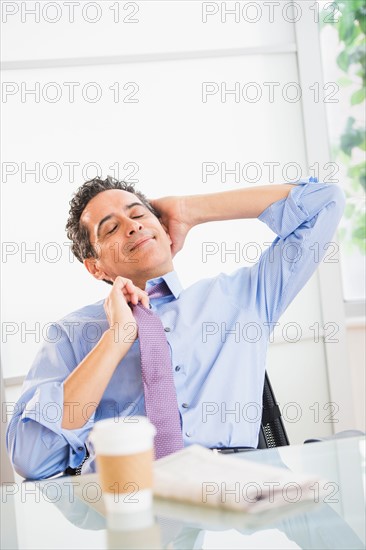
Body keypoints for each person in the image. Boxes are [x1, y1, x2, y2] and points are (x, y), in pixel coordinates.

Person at [6, 176, 346, 479]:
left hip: (232, 497)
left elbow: (325, 200)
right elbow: (32, 458)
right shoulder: (71, 335)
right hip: (127, 502)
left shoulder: (243, 297)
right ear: (95, 267)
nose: (132, 226)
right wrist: (116, 339)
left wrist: (190, 209)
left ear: (164, 229)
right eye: (110, 228)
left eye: (138, 214)